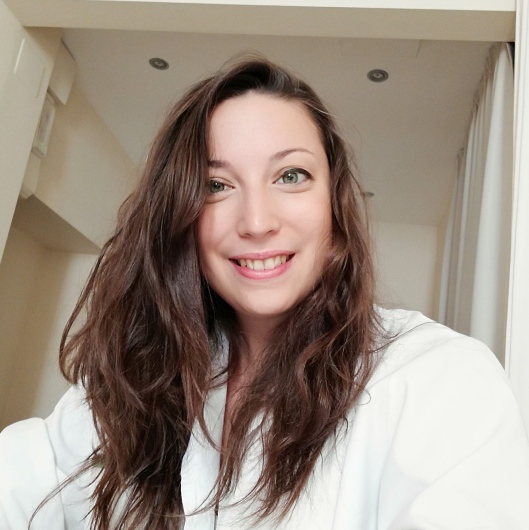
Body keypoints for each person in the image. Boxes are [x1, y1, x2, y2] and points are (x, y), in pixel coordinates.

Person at [1, 56, 529, 530]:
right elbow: (24, 480)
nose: (256, 222)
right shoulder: (137, 379)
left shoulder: (436, 377)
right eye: (216, 186)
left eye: (291, 176)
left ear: (334, 206)